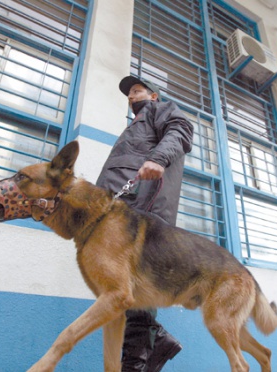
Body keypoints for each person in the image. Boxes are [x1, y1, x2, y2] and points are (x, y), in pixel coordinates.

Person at [95, 76, 194, 372]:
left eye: (137, 90)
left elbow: (182, 130)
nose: (131, 96)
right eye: (129, 94)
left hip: (142, 207)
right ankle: (155, 340)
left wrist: (159, 159)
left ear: (154, 95)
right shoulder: (136, 125)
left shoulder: (159, 110)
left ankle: (136, 361)